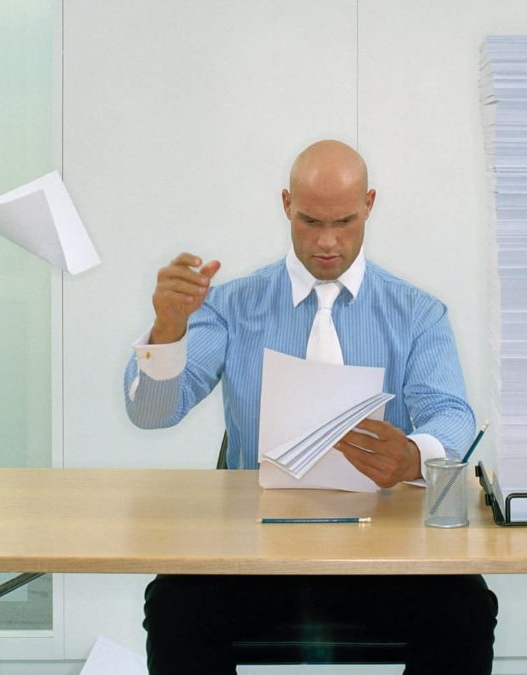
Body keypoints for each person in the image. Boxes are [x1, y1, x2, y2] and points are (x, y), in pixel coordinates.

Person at [123, 140, 498, 674]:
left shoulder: (417, 313)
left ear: (369, 204)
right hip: (254, 552)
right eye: (309, 221)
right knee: (176, 607)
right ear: (285, 205)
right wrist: (168, 328)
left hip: (383, 553)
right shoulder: (230, 306)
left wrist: (414, 456)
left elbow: (453, 415)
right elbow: (153, 413)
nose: (327, 242)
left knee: (464, 609)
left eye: (345, 221)